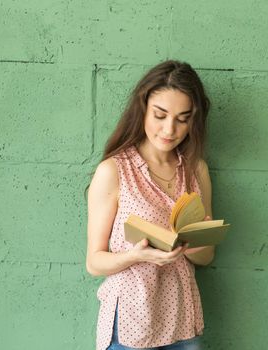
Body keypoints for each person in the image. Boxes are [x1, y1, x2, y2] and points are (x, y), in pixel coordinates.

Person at [86, 60, 215, 350]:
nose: (170, 129)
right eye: (160, 115)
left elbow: (206, 257)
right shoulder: (114, 171)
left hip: (182, 319)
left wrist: (190, 244)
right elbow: (94, 262)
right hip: (130, 321)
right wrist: (139, 256)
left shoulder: (196, 171)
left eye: (183, 118)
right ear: (143, 109)